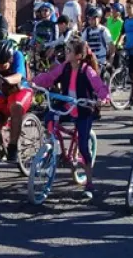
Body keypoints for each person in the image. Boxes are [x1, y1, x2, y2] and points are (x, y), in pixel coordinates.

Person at [33, 38, 110, 198]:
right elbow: (49, 77)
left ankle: (89, 183)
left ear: (79, 55)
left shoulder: (87, 70)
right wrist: (33, 82)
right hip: (67, 106)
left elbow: (99, 86)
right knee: (49, 118)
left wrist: (103, 98)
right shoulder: (65, 67)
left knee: (83, 145)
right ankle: (54, 147)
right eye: (66, 49)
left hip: (83, 109)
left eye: (69, 50)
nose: (65, 53)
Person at [0, 39, 33, 162]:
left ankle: (13, 147)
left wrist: (3, 80)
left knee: (15, 106)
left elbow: (18, 76)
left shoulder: (17, 56)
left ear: (10, 59)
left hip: (20, 90)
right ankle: (0, 148)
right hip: (2, 94)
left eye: (3, 65)